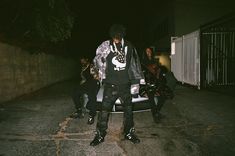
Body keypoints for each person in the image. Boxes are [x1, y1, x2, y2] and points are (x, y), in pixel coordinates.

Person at [90, 24, 145, 146]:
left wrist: (135, 86)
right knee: (104, 112)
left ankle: (129, 133)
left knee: (129, 112)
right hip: (110, 85)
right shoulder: (106, 45)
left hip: (125, 85)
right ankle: (100, 135)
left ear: (122, 36)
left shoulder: (129, 46)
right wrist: (99, 68)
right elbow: (96, 60)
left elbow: (135, 65)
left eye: (118, 37)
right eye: (114, 37)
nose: (116, 40)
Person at [140, 48, 177, 123]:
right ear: (145, 53)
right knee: (151, 98)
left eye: (149, 51)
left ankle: (156, 112)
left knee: (163, 95)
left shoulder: (155, 60)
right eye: (147, 51)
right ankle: (155, 116)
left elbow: (159, 70)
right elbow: (143, 71)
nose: (149, 52)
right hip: (148, 83)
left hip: (157, 82)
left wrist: (158, 70)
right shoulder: (142, 61)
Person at [71, 56, 100, 125]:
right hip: (87, 83)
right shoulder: (83, 68)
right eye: (81, 60)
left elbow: (97, 76)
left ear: (87, 60)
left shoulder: (92, 66)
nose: (82, 62)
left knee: (92, 96)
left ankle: (91, 115)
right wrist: (81, 84)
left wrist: (97, 82)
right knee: (74, 92)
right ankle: (79, 110)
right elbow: (84, 78)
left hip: (94, 82)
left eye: (83, 60)